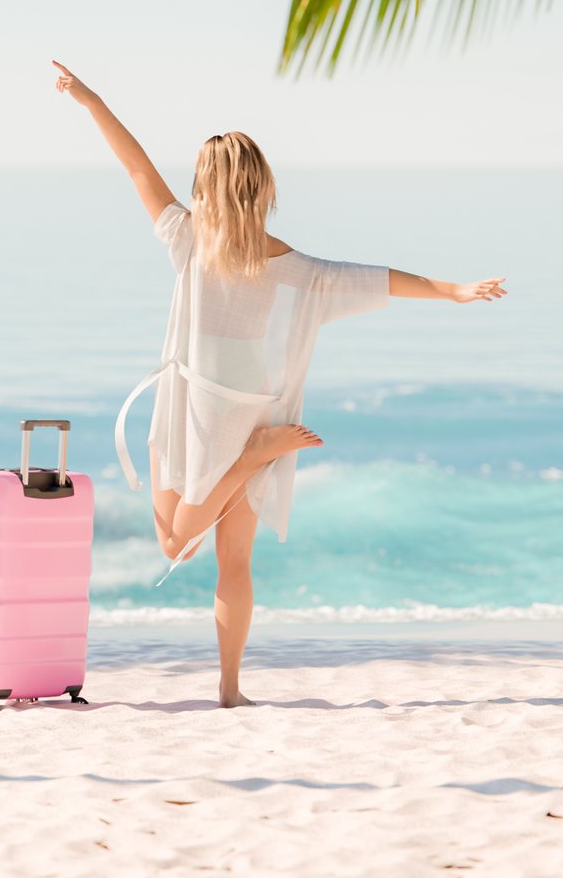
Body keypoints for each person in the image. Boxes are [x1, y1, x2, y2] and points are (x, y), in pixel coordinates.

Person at [53, 61, 506, 707]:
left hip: (202, 412)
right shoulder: (299, 270)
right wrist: (453, 290)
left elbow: (136, 169)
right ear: (261, 186)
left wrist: (92, 101)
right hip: (255, 405)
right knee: (233, 561)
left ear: (205, 187)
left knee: (176, 541)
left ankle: (252, 459)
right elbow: (376, 278)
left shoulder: (187, 238)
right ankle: (231, 692)